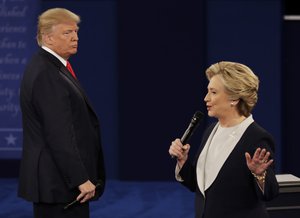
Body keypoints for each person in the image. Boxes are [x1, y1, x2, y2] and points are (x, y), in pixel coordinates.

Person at [18, 8, 105, 218]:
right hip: (59, 185)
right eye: (67, 33)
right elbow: (59, 134)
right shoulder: (46, 73)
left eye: (75, 32)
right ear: (47, 37)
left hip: (59, 182)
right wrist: (80, 179)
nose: (75, 37)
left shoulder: (52, 66)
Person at [168, 61, 279, 218]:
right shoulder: (210, 131)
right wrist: (182, 162)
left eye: (213, 92)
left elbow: (270, 194)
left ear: (234, 98)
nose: (206, 98)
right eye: (208, 91)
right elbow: (199, 185)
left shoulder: (257, 137)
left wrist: (260, 175)